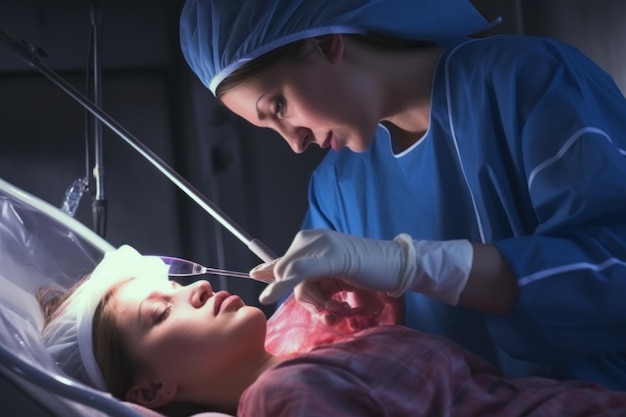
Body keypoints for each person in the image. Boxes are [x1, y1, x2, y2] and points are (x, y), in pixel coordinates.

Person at [178, 0, 626, 389]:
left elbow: (614, 268)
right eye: (270, 127)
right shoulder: (335, 188)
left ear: (326, 44)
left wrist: (412, 265)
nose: (294, 143)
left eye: (278, 106)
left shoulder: (528, 81)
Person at [40, 245, 626, 417]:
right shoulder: (278, 398)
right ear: (151, 391)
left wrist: (356, 268)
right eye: (160, 313)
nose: (192, 290)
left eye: (171, 284)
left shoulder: (293, 340)